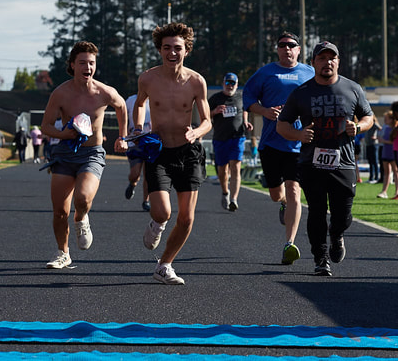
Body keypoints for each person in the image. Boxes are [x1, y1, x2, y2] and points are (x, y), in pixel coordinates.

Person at [276, 41, 374, 277]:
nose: (327, 62)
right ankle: (320, 259)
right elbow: (282, 125)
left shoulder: (352, 88)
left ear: (338, 62)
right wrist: (298, 134)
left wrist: (358, 127)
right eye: (322, 58)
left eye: (332, 58)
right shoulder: (302, 92)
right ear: (313, 63)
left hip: (344, 162)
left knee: (343, 215)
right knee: (317, 212)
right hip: (312, 163)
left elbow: (368, 117)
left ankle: (337, 234)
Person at [134, 22, 212, 285]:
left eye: (177, 48)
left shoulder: (196, 81)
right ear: (159, 50)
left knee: (187, 217)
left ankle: (164, 265)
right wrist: (137, 127)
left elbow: (207, 120)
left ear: (186, 50)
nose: (172, 53)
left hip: (189, 152)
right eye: (166, 48)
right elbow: (141, 103)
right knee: (162, 212)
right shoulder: (147, 78)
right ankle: (156, 225)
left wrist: (196, 132)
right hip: (159, 152)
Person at [41, 41, 128, 270]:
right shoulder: (60, 93)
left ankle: (81, 218)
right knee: (60, 210)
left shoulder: (104, 92)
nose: (87, 67)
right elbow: (45, 127)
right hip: (65, 152)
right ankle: (63, 253)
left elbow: (121, 107)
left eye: (91, 63)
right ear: (72, 65)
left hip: (92, 153)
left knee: (83, 198)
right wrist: (63, 133)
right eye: (82, 63)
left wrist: (122, 136)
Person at [242, 31, 314, 266]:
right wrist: (264, 111)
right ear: (277, 50)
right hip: (271, 143)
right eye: (282, 45)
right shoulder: (266, 73)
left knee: (295, 191)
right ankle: (282, 203)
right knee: (277, 194)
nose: (287, 49)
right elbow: (248, 98)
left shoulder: (309, 73)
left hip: (298, 143)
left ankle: (289, 244)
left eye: (291, 45)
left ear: (299, 49)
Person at [209, 72, 253, 211]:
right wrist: (215, 111)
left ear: (237, 85)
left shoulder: (241, 98)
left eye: (232, 83)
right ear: (223, 84)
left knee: (235, 167)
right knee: (222, 170)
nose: (230, 86)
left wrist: (246, 122)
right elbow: (205, 114)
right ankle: (225, 192)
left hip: (237, 137)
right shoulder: (215, 98)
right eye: (227, 83)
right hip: (220, 138)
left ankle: (234, 199)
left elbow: (245, 111)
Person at [124, 93, 152, 211]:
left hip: (151, 142)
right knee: (135, 173)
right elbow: (124, 119)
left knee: (149, 175)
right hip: (134, 142)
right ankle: (132, 183)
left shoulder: (156, 98)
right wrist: (124, 137)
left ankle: (146, 200)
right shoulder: (131, 100)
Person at [376, 112, 397, 199]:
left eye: (386, 118)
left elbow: (394, 142)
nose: (384, 120)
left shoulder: (395, 128)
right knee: (386, 172)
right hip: (385, 151)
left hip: (393, 152)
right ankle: (384, 191)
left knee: (396, 172)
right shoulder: (386, 127)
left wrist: (383, 141)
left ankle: (397, 192)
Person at [363, 118, 381, 183]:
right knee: (370, 161)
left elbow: (380, 129)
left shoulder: (374, 124)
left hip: (374, 144)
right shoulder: (368, 124)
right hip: (368, 145)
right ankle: (371, 177)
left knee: (375, 161)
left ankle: (376, 177)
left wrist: (377, 137)